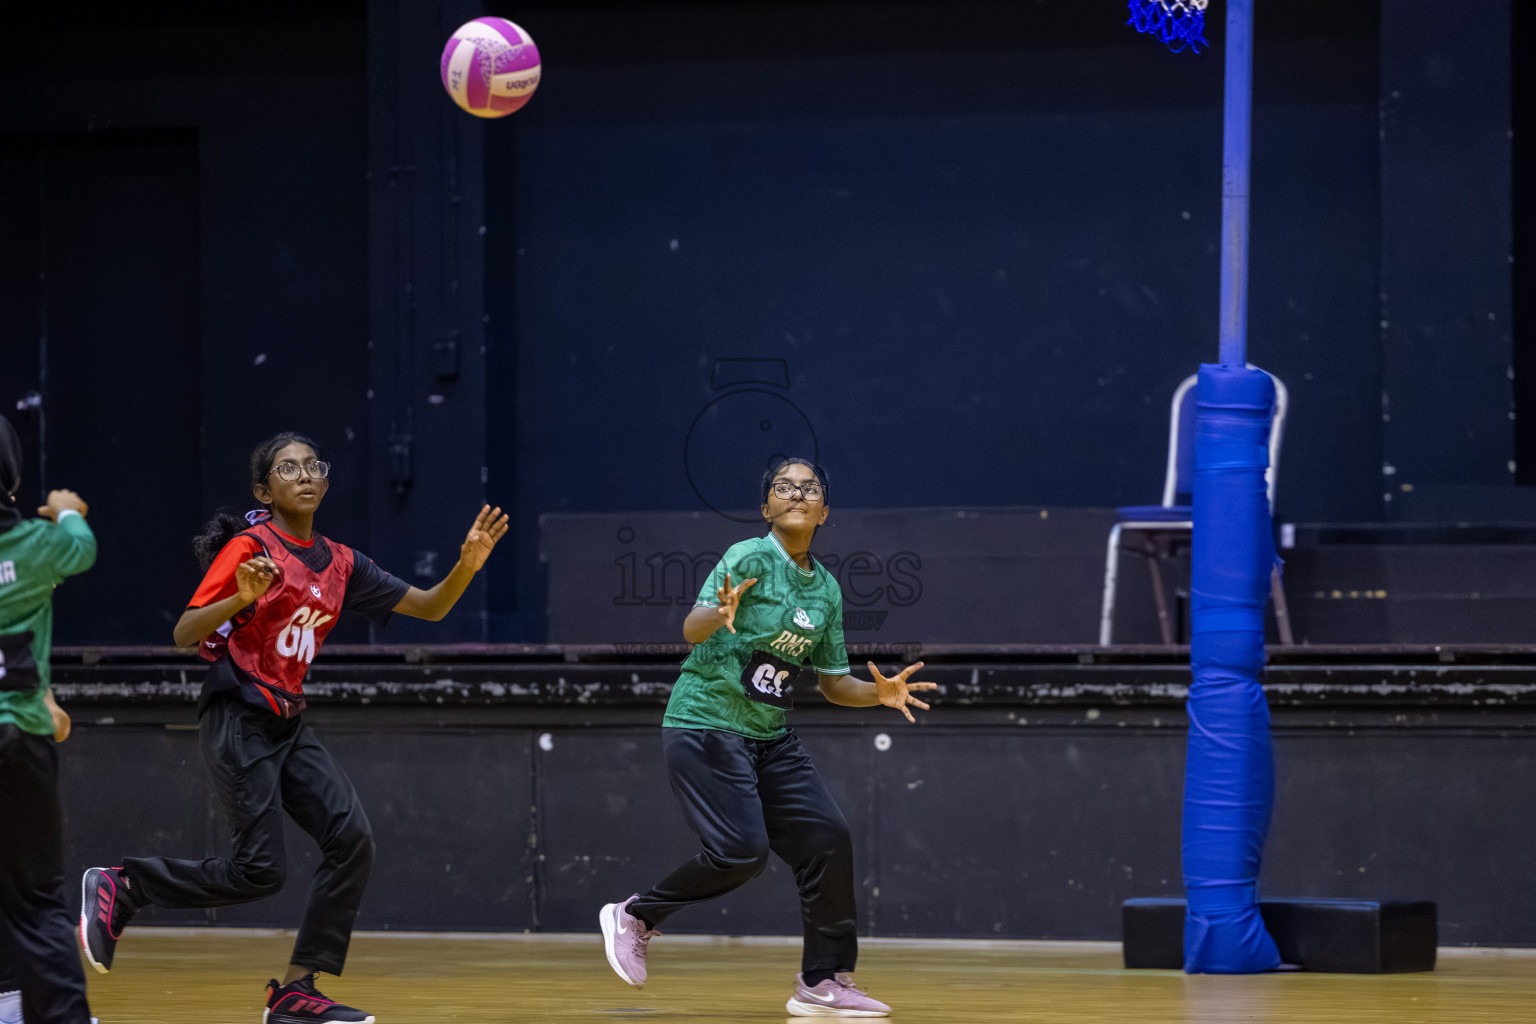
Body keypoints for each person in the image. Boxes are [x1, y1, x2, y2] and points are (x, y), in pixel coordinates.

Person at [77, 432, 507, 1024]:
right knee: (259, 872)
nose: (304, 475)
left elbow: (430, 606)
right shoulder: (251, 548)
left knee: (351, 837)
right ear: (265, 490)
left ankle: (297, 992)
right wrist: (239, 598)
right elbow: (183, 634)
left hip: (287, 720)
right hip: (238, 714)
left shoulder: (344, 561)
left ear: (325, 483)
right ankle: (125, 886)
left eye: (313, 466)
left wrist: (465, 566)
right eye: (288, 468)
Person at [599, 457, 935, 1017]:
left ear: (824, 512)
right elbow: (691, 628)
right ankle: (636, 916)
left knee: (827, 837)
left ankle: (822, 980)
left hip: (769, 736)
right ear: (767, 508)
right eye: (785, 487)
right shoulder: (749, 556)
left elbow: (831, 683)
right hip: (706, 722)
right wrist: (719, 612)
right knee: (742, 852)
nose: (797, 494)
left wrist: (876, 694)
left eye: (810, 489)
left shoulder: (825, 589)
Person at [0, 414, 97, 1024]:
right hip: (18, 738)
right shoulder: (37, 547)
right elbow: (80, 548)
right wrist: (65, 509)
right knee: (37, 900)